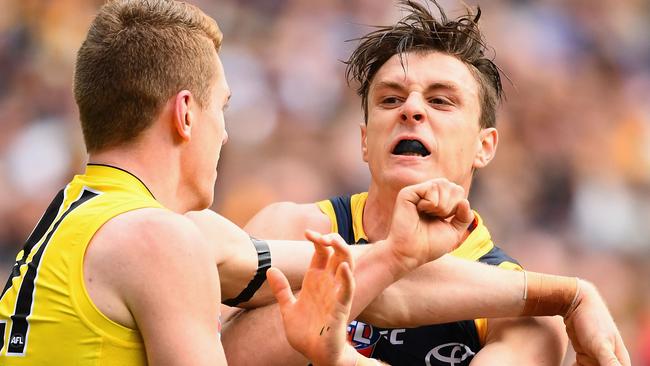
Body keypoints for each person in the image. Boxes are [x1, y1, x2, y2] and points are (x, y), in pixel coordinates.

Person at [0, 1, 476, 364]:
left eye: (441, 102)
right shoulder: (159, 237)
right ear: (186, 114)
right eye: (221, 108)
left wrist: (550, 293)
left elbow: (346, 270)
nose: (224, 131)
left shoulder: (74, 212)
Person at [220, 1, 630, 365]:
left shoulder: (523, 315)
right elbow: (214, 357)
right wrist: (388, 262)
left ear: (484, 147)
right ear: (365, 141)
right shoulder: (292, 229)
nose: (411, 109)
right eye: (390, 99)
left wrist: (339, 356)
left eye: (440, 101)